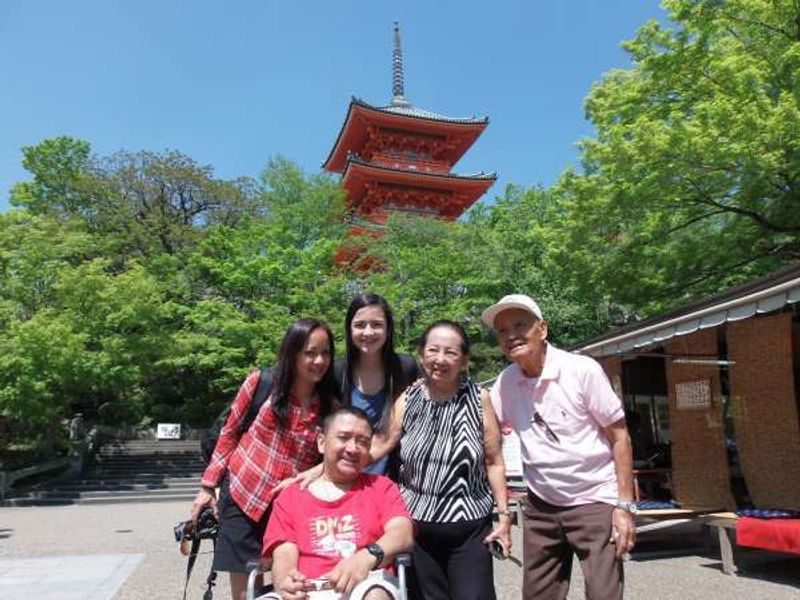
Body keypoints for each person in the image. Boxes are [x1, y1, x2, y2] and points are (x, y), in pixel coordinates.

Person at [481, 294, 636, 600]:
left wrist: (625, 506)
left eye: (520, 325)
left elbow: (621, 437)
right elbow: (486, 434)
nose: (511, 335)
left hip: (594, 498)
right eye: (502, 330)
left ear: (542, 329)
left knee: (604, 593)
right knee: (537, 593)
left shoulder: (581, 370)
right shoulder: (506, 382)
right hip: (541, 503)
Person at [190, 318, 340, 600]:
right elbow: (229, 434)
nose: (319, 360)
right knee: (246, 591)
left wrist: (314, 473)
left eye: (325, 353)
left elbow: (337, 452)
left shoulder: (331, 402)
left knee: (291, 586)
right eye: (310, 352)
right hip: (243, 496)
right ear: (292, 352)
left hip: (289, 506)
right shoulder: (262, 382)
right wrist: (207, 486)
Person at [372, 320, 512, 600]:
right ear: (422, 355)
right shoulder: (409, 398)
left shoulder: (477, 399)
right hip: (417, 531)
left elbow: (494, 461)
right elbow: (380, 444)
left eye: (450, 352)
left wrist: (504, 516)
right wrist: (322, 470)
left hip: (470, 529)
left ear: (464, 360)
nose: (440, 359)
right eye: (433, 350)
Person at [263, 406, 415, 600]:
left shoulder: (381, 488)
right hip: (309, 590)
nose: (352, 448)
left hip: (367, 582)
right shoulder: (291, 497)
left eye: (363, 442)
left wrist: (366, 557)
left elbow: (402, 533)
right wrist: (285, 579)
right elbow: (284, 553)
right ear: (321, 442)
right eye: (343, 437)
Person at [335, 293, 420, 475]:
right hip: (345, 478)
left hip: (394, 480)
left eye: (377, 325)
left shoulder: (406, 369)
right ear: (349, 329)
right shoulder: (337, 373)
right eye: (359, 325)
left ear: (388, 329)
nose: (368, 332)